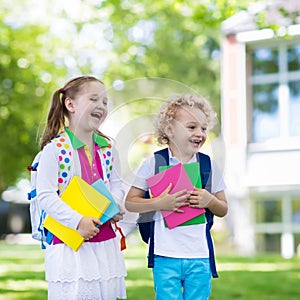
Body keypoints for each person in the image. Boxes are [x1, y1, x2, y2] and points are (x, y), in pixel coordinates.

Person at [125, 94, 228, 300]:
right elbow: (130, 202)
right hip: (165, 256)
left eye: (204, 128)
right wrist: (159, 203)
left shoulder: (208, 166)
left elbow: (223, 209)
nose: (200, 133)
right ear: (170, 130)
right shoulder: (153, 163)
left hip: (199, 256)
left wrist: (209, 201)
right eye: (192, 127)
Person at [36, 76, 127, 300]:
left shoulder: (108, 149)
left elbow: (116, 184)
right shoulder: (54, 149)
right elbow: (45, 196)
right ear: (70, 104)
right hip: (70, 243)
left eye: (105, 102)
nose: (101, 106)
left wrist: (114, 203)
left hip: (104, 241)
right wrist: (78, 221)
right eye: (94, 99)